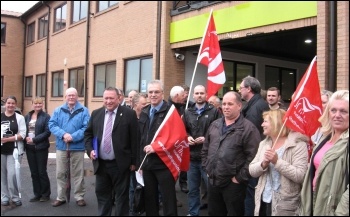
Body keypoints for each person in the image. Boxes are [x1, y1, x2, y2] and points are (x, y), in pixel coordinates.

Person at [201, 91, 261, 216]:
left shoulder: (248, 129)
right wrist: (207, 167)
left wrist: (239, 178)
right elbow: (205, 148)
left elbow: (253, 157)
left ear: (239, 106)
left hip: (233, 184)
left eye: (230, 104)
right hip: (213, 181)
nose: (226, 107)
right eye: (224, 104)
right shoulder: (215, 125)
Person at [84, 87, 138, 216]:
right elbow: (88, 134)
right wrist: (90, 150)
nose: (108, 101)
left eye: (111, 98)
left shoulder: (129, 114)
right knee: (103, 196)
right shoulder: (96, 114)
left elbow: (135, 139)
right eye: (106, 98)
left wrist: (134, 161)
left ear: (118, 99)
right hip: (101, 164)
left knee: (121, 198)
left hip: (120, 164)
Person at [249, 109, 309, 216]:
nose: (262, 124)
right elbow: (252, 170)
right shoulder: (264, 143)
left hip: (285, 204)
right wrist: (263, 164)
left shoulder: (298, 145)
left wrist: (277, 161)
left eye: (265, 121)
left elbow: (300, 175)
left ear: (276, 123)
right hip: (263, 200)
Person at [300, 90, 349, 216]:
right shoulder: (325, 138)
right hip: (315, 205)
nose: (337, 115)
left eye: (343, 111)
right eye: (333, 110)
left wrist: (339, 213)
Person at [137, 80, 177, 216]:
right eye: (150, 92)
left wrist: (157, 148)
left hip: (165, 163)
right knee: (150, 200)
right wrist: (140, 164)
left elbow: (175, 138)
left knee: (168, 200)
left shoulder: (171, 112)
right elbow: (141, 139)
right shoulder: (144, 111)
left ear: (162, 93)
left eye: (156, 92)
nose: (153, 95)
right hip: (147, 164)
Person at [182, 85, 221, 216]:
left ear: (206, 95)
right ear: (193, 95)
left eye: (202, 93)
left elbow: (219, 131)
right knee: (193, 190)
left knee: (212, 189)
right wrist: (187, 137)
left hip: (207, 158)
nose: (199, 95)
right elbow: (183, 130)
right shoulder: (188, 112)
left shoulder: (214, 111)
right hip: (192, 158)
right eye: (197, 93)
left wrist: (206, 138)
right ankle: (193, 213)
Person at [48, 87, 90, 207]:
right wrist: (63, 134)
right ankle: (60, 197)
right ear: (65, 97)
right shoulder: (58, 110)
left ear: (77, 97)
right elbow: (52, 124)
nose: (71, 97)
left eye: (73, 95)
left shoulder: (84, 111)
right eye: (69, 95)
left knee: (78, 173)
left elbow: (86, 127)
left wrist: (73, 136)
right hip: (62, 146)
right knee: (61, 173)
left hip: (78, 147)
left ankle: (79, 196)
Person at [239, 76, 269, 216]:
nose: (239, 91)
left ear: (249, 89)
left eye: (241, 88)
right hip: (255, 156)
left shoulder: (255, 108)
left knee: (251, 194)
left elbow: (251, 136)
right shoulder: (255, 105)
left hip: (254, 157)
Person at [24, 97, 51, 202]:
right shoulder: (28, 116)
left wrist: (34, 140)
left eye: (40, 104)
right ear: (32, 105)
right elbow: (24, 130)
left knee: (41, 172)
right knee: (34, 172)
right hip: (29, 148)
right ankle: (37, 194)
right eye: (36, 104)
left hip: (41, 148)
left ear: (42, 105)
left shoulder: (46, 117)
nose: (38, 105)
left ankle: (45, 194)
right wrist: (26, 138)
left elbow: (47, 132)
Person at [1, 96, 26, 207]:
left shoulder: (19, 118)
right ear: (5, 104)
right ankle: (4, 197)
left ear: (15, 104)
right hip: (1, 151)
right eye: (8, 103)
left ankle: (15, 197)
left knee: (12, 175)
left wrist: (8, 139)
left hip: (14, 151)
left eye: (13, 103)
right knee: (2, 175)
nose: (10, 105)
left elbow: (23, 134)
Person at [167, 85, 188, 195]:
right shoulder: (168, 109)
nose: (185, 97)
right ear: (176, 96)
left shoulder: (182, 106)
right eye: (182, 95)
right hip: (171, 145)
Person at [129, 92, 147, 215]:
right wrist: (134, 163)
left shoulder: (147, 118)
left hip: (145, 160)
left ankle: (142, 209)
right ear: (136, 105)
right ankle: (132, 211)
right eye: (143, 104)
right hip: (132, 162)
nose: (146, 106)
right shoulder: (128, 118)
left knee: (144, 188)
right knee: (132, 188)